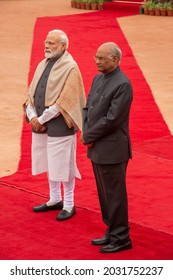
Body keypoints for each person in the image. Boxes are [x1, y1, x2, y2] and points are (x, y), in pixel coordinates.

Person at [24, 29, 86, 221]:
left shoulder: (71, 68)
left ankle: (69, 203)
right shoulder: (42, 64)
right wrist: (32, 115)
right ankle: (54, 199)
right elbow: (30, 94)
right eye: (46, 42)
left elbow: (65, 101)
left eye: (51, 43)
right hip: (40, 124)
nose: (47, 46)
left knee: (64, 164)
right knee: (49, 162)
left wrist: (40, 120)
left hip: (60, 124)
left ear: (63, 46)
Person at [80, 42, 133, 253]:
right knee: (104, 194)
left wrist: (88, 135)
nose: (97, 61)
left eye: (102, 58)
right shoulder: (97, 77)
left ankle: (122, 237)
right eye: (96, 57)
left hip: (113, 149)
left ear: (116, 60)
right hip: (97, 146)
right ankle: (112, 231)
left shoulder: (123, 84)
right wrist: (87, 133)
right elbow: (87, 107)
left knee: (115, 195)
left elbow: (113, 119)